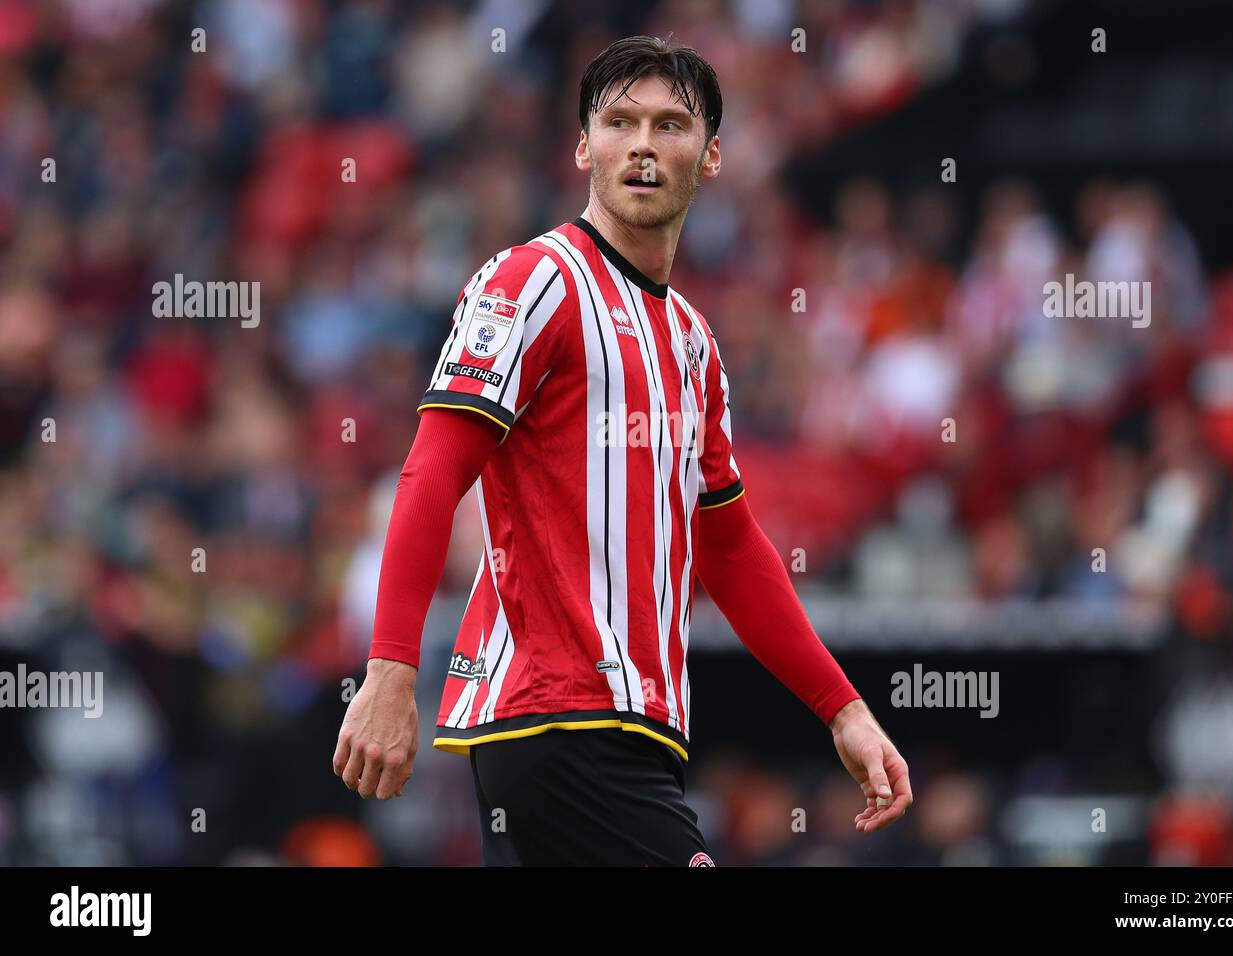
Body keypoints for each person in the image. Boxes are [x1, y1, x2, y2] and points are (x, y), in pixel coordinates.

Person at [333, 35, 913, 866]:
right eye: (620, 121)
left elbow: (731, 545)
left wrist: (843, 709)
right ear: (583, 147)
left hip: (641, 731)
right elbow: (432, 472)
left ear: (711, 155)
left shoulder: (694, 343)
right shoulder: (531, 282)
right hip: (557, 717)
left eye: (671, 125)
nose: (643, 143)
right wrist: (389, 671)